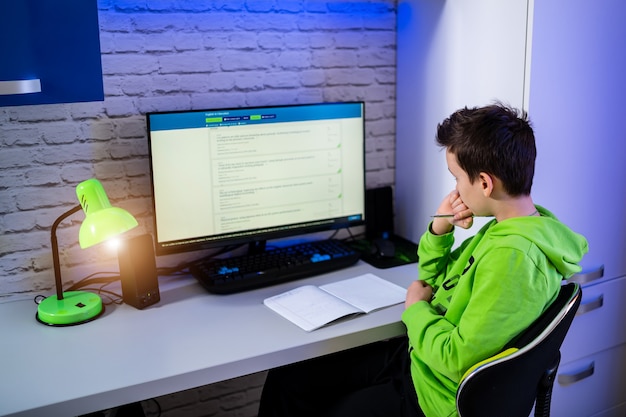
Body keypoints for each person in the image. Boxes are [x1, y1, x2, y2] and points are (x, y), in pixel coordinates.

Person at [258, 103, 588, 417]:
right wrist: (440, 226)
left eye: (456, 177)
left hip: (433, 397)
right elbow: (433, 280)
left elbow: (458, 358)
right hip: (421, 360)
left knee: (311, 403)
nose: (455, 189)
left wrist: (415, 309)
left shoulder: (513, 257)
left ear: (485, 183)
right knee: (288, 379)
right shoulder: (513, 230)